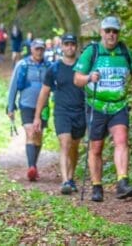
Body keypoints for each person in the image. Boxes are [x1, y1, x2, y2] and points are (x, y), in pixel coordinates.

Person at [73, 16, 132, 202]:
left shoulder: (125, 52)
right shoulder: (92, 51)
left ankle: (122, 183)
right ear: (101, 32)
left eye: (115, 31)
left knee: (122, 140)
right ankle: (97, 185)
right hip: (96, 105)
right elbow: (77, 79)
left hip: (119, 105)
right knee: (96, 147)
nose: (111, 35)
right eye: (108, 31)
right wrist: (90, 77)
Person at [33, 33, 87, 195]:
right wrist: (37, 116)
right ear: (62, 46)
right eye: (67, 44)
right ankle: (65, 181)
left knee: (74, 147)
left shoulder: (83, 67)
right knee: (65, 143)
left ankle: (70, 177)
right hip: (62, 112)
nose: (70, 47)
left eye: (72, 44)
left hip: (80, 111)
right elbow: (44, 92)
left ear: (76, 47)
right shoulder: (54, 69)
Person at [7, 39, 50, 181]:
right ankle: (31, 167)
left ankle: (34, 166)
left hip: (43, 107)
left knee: (38, 135)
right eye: (37, 49)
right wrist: (10, 106)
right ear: (31, 49)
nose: (39, 51)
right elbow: (13, 86)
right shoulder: (22, 65)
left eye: (41, 49)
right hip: (26, 105)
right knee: (31, 132)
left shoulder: (48, 66)